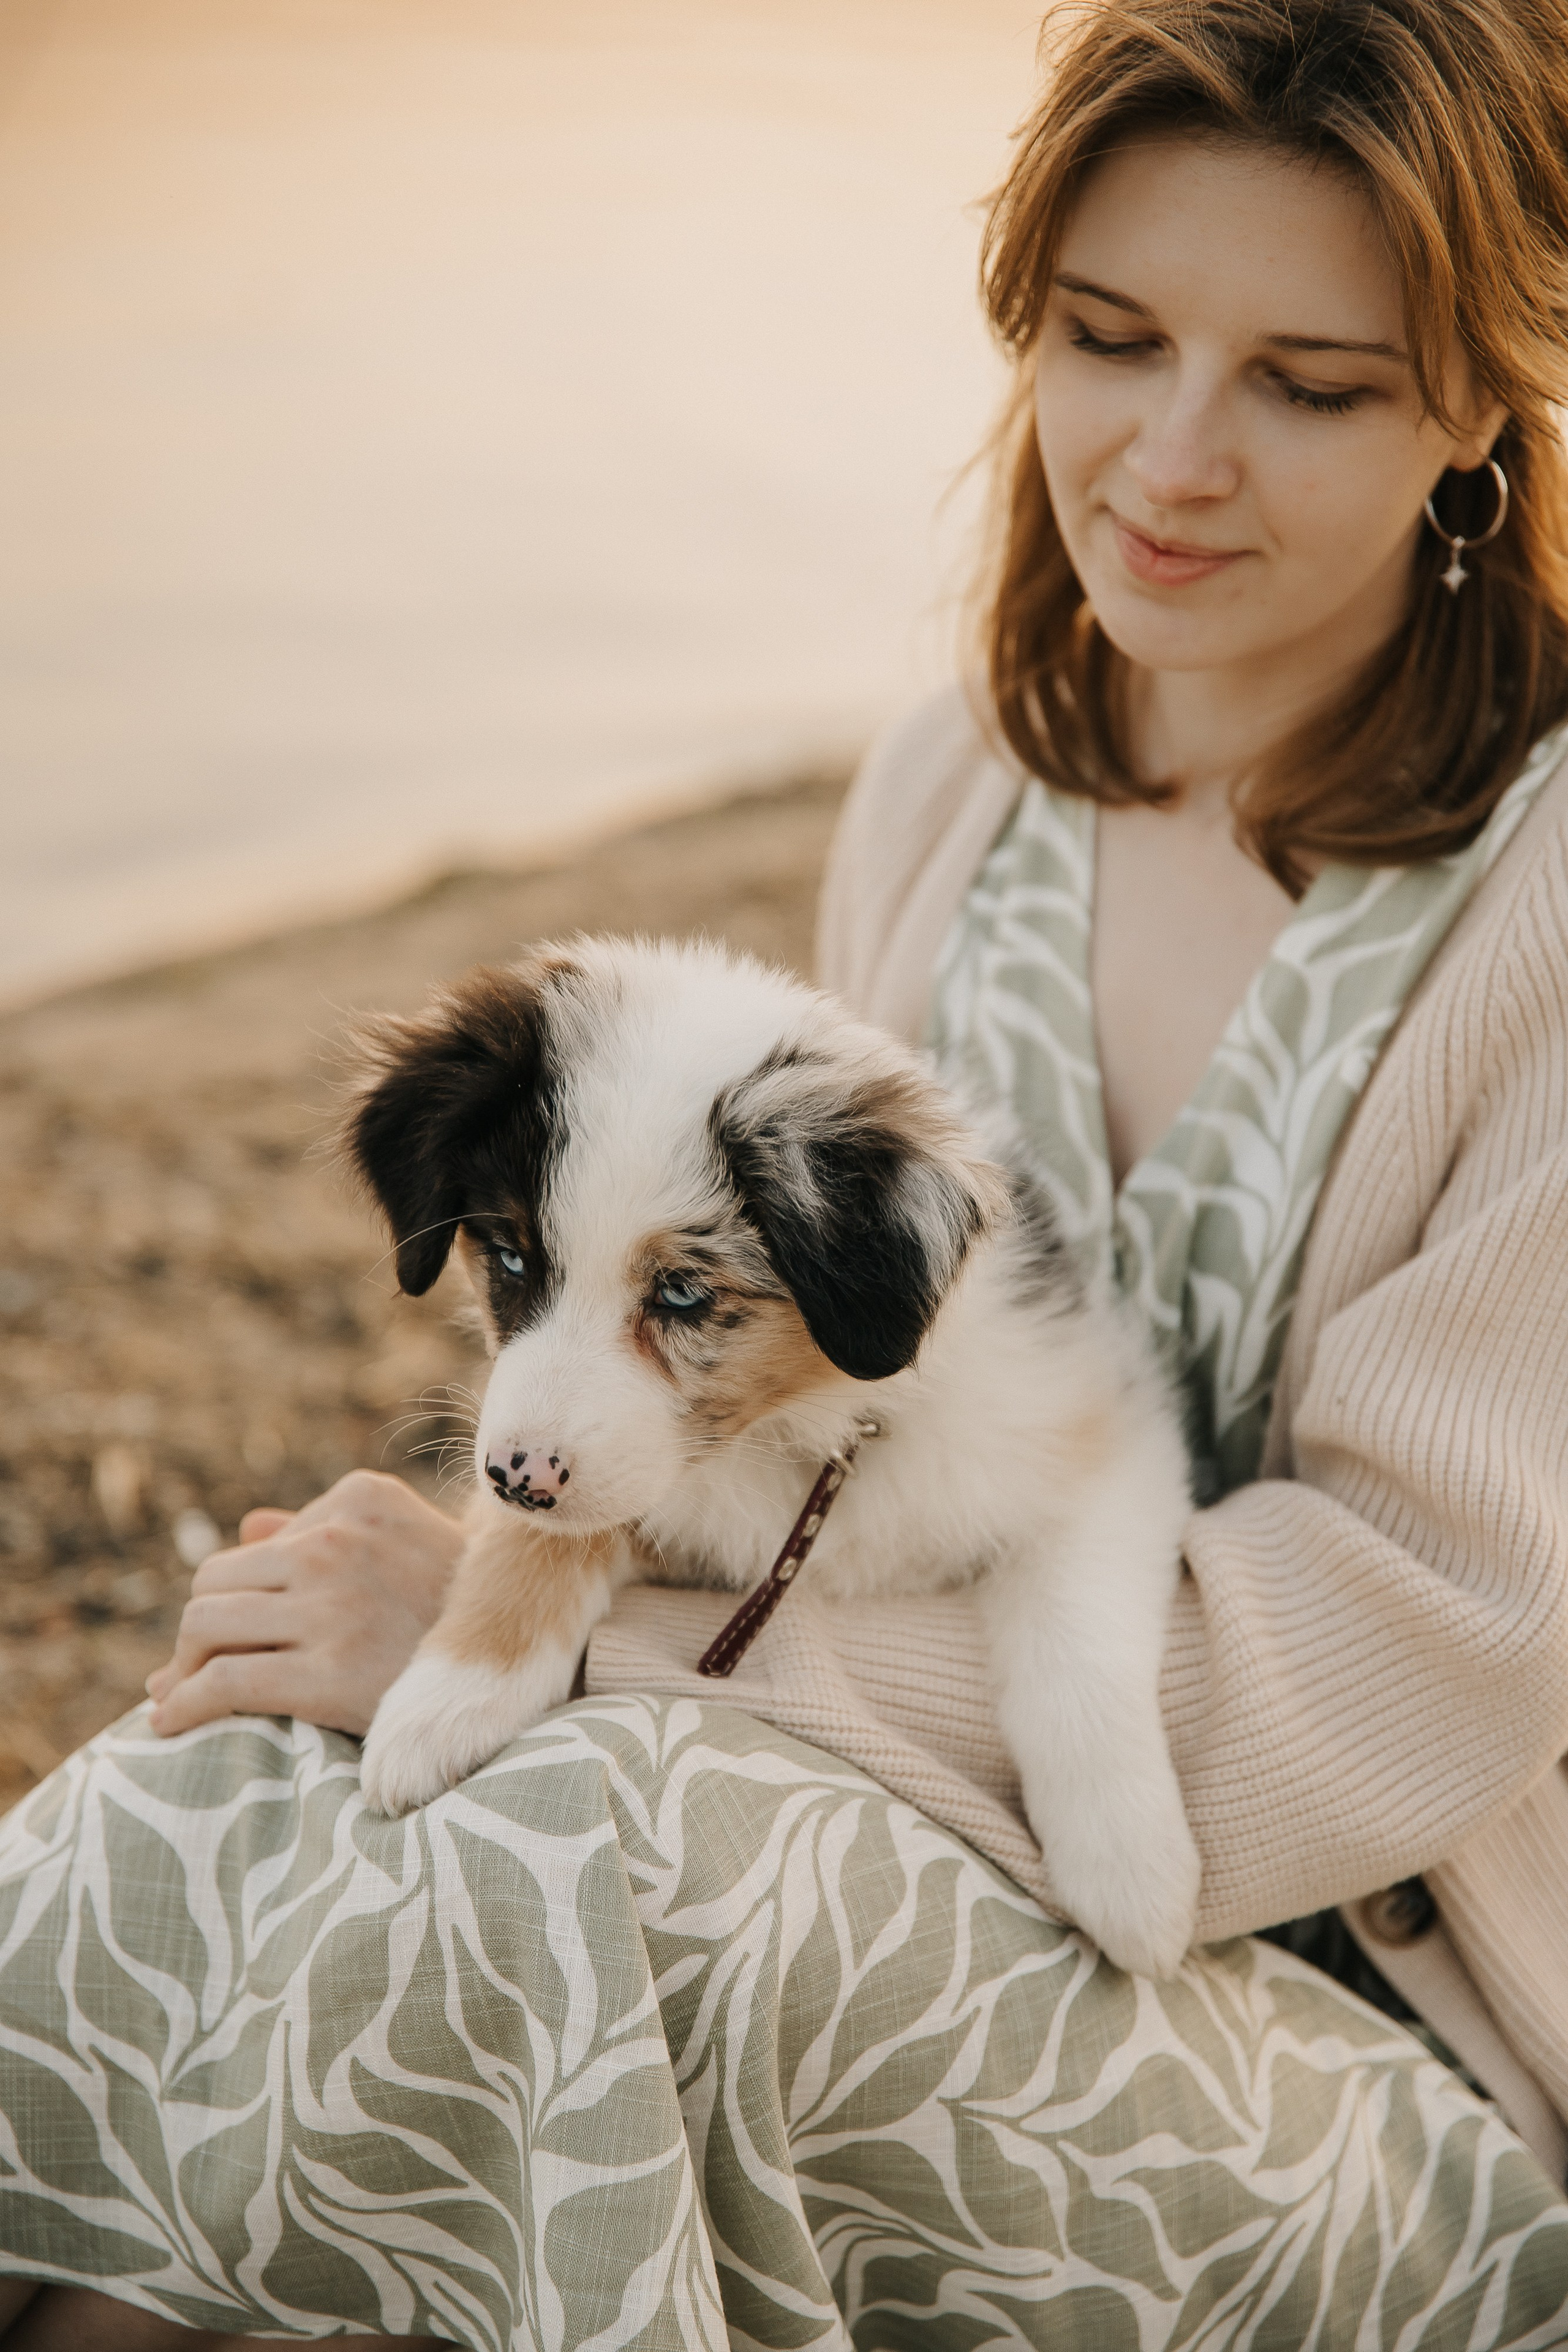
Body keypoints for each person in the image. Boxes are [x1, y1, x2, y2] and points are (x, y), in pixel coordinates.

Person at [6, 0, 1568, 2339]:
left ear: (1481, 401)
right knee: (207, 1799)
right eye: (1108, 337)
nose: (1170, 459)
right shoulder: (953, 788)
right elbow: (799, 1428)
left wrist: (621, 1665)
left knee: (564, 1838)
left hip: (1383, 2048)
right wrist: (506, 1615)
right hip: (915, 1835)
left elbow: (1421, 1657)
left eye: (1311, 385)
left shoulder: (1546, 909)